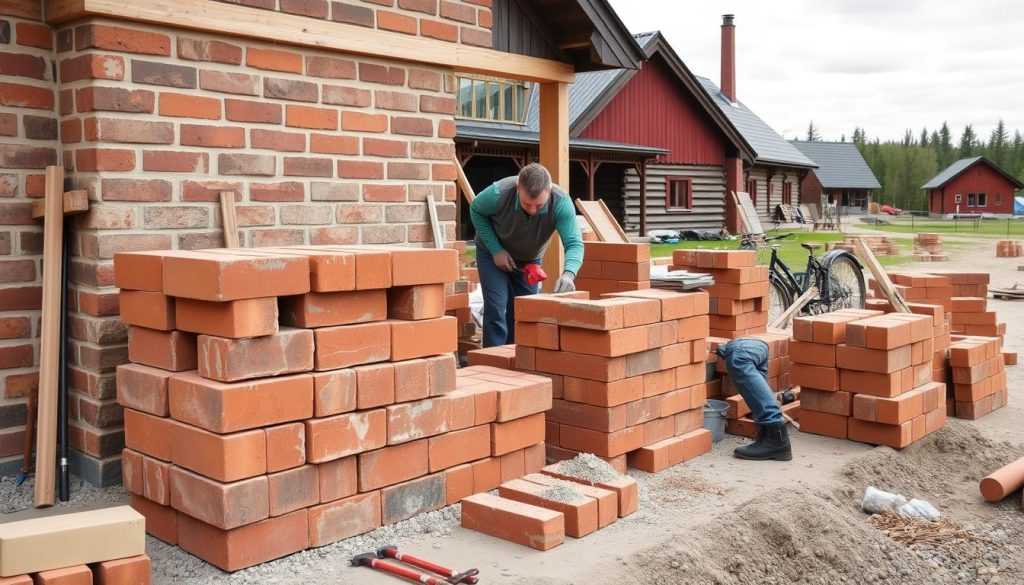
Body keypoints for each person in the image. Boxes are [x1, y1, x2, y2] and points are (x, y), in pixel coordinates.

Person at [470, 163, 583, 347]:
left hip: (528, 261)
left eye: (539, 205)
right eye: (526, 204)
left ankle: (517, 360)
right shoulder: (498, 193)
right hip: (493, 255)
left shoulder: (561, 203)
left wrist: (569, 273)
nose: (532, 210)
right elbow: (476, 210)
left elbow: (574, 243)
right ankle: (493, 361)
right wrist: (496, 249)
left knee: (524, 312)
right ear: (518, 187)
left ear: (549, 190)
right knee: (496, 308)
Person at [715, 338, 792, 461]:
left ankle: (776, 442)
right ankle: (768, 441)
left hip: (740, 349)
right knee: (758, 393)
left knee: (738, 362)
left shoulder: (734, 353)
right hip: (758, 345)